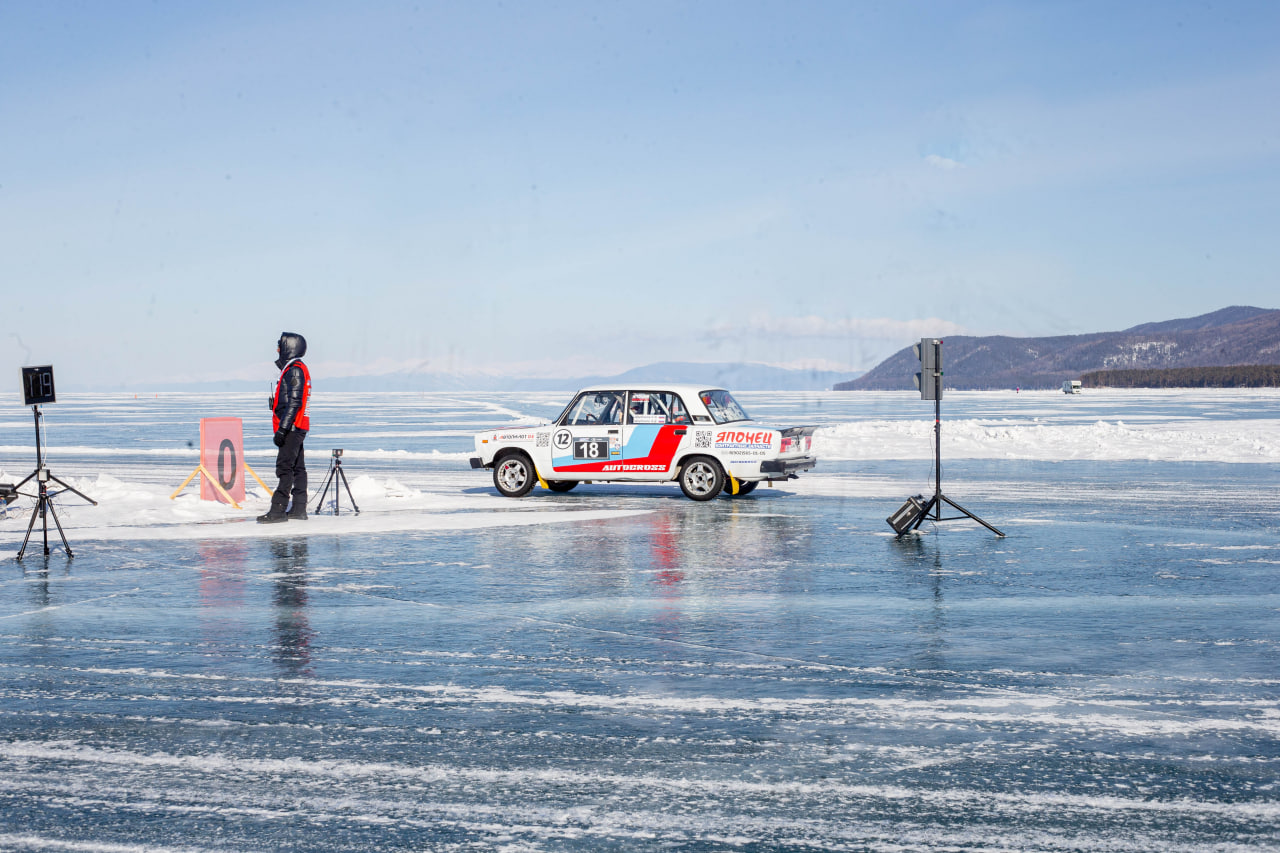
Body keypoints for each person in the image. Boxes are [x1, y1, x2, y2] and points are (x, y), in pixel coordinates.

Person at [258, 332, 312, 523]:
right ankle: (298, 509)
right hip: (296, 427)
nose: (277, 349)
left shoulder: (295, 370)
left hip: (292, 427)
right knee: (298, 468)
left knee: (285, 468)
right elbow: (292, 400)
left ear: (290, 347)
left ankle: (278, 510)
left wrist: (283, 428)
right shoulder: (293, 369)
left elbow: (295, 402)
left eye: (280, 345)